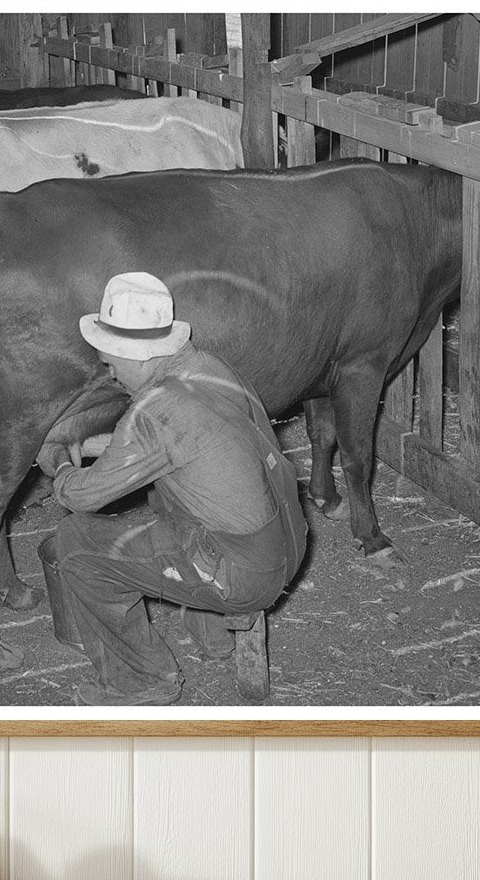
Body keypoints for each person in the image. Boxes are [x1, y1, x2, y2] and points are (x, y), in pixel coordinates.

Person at [37, 271, 307, 706]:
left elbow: (81, 497)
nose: (109, 373)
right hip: (287, 543)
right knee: (173, 495)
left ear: (139, 358)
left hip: (243, 576)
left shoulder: (153, 409)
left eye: (110, 362)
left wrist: (60, 464)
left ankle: (141, 681)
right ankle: (214, 638)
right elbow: (175, 444)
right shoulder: (209, 369)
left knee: (75, 542)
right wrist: (88, 445)